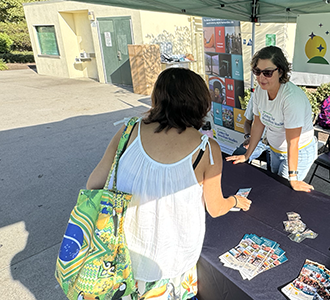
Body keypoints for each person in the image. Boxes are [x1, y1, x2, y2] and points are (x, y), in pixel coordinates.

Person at [87, 68, 251, 299]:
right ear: (201, 103)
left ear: (157, 98)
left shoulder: (129, 130)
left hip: (119, 256)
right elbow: (215, 208)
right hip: (172, 263)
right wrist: (235, 200)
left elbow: (94, 184)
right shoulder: (206, 149)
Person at [226, 46, 317, 192]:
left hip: (298, 151)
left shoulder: (291, 99)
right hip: (275, 150)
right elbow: (258, 124)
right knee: (272, 189)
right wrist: (246, 156)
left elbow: (292, 142)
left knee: (281, 192)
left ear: (280, 71)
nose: (261, 77)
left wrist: (293, 178)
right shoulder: (260, 92)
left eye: (267, 73)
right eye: (257, 71)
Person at [231, 94, 270, 168]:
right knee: (237, 158)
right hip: (258, 140)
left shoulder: (286, 99)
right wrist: (249, 137)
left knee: (277, 175)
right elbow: (247, 122)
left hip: (277, 144)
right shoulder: (257, 96)